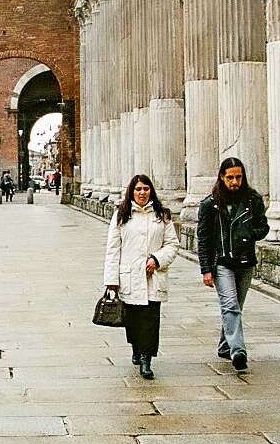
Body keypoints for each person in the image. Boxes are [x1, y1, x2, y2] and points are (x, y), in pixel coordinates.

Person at [197, 157, 270, 372]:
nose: (235, 181)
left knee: (235, 306)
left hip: (245, 261)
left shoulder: (252, 200)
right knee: (230, 305)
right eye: (230, 177)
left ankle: (223, 346)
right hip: (222, 262)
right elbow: (203, 238)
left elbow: (263, 227)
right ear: (222, 177)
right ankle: (238, 351)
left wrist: (249, 234)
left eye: (238, 177)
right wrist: (206, 269)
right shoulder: (210, 204)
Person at [104, 174, 179, 380]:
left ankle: (147, 359)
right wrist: (111, 280)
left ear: (151, 191)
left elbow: (172, 244)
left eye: (146, 189)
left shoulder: (162, 215)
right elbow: (113, 248)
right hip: (129, 276)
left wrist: (157, 258)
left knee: (151, 319)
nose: (142, 193)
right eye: (138, 189)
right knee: (134, 320)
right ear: (132, 192)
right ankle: (136, 348)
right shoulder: (122, 215)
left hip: (152, 276)